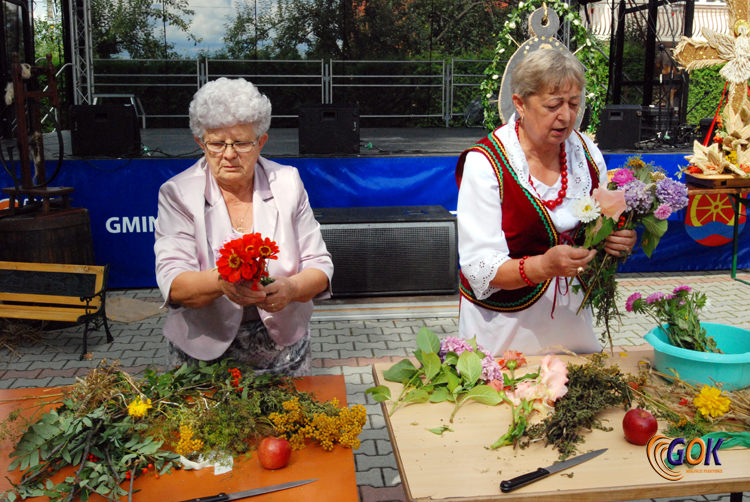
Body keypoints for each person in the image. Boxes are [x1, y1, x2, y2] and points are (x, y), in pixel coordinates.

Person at [455, 49, 636, 356]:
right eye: (553, 105)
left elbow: (602, 225)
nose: (566, 116)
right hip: (504, 325)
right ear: (520, 103)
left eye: (574, 103)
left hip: (571, 321)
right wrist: (543, 266)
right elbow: (478, 267)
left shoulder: (586, 152)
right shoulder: (486, 163)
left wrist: (618, 239)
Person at [154, 77, 333, 376]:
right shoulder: (178, 192)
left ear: (261, 141)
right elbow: (174, 284)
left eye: (241, 142)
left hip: (283, 349)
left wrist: (291, 288)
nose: (228, 154)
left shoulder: (288, 182)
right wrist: (222, 283)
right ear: (201, 142)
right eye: (216, 143)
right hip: (202, 354)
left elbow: (320, 266)